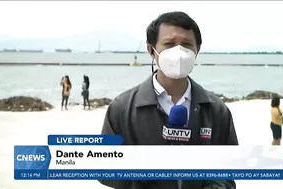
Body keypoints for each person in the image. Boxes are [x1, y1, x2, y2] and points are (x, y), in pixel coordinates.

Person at [99, 11, 238, 189]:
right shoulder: (122, 108)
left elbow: (229, 170)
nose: (179, 52)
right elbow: (106, 170)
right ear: (152, 50)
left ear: (197, 50)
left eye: (187, 45)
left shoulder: (216, 110)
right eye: (169, 44)